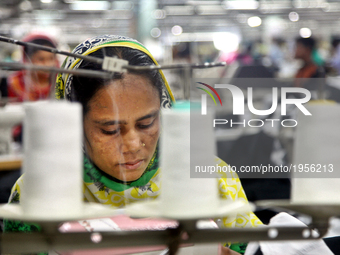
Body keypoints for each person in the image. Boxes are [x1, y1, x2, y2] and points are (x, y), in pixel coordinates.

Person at [4, 35, 262, 255]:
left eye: (147, 123)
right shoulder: (38, 194)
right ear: (75, 124)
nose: (133, 144)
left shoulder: (212, 178)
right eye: (110, 129)